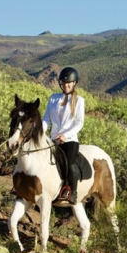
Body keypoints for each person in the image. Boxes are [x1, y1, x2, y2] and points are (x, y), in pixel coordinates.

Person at [42, 67, 86, 202]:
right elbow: (46, 119)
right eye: (64, 83)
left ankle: (72, 191)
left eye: (69, 83)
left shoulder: (79, 100)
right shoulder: (53, 99)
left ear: (74, 83)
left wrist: (65, 135)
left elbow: (79, 123)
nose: (66, 86)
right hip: (53, 139)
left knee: (68, 162)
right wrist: (41, 133)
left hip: (70, 140)